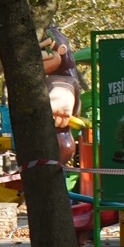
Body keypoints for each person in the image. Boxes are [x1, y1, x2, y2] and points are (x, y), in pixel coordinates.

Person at [41, 26, 87, 166]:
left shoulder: (63, 80)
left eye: (46, 51)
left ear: (61, 51)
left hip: (59, 141)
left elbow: (61, 89)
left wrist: (58, 107)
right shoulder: (48, 80)